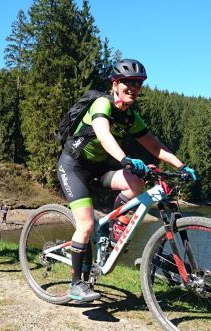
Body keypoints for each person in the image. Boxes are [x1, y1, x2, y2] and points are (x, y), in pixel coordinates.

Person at [55, 58, 197, 302]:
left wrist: (181, 165)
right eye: (127, 82)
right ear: (115, 84)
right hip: (74, 167)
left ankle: (115, 226)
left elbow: (154, 145)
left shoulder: (130, 115)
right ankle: (76, 284)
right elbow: (103, 133)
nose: (133, 87)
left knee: (137, 182)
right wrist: (125, 159)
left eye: (138, 83)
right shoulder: (102, 103)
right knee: (86, 225)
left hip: (100, 168)